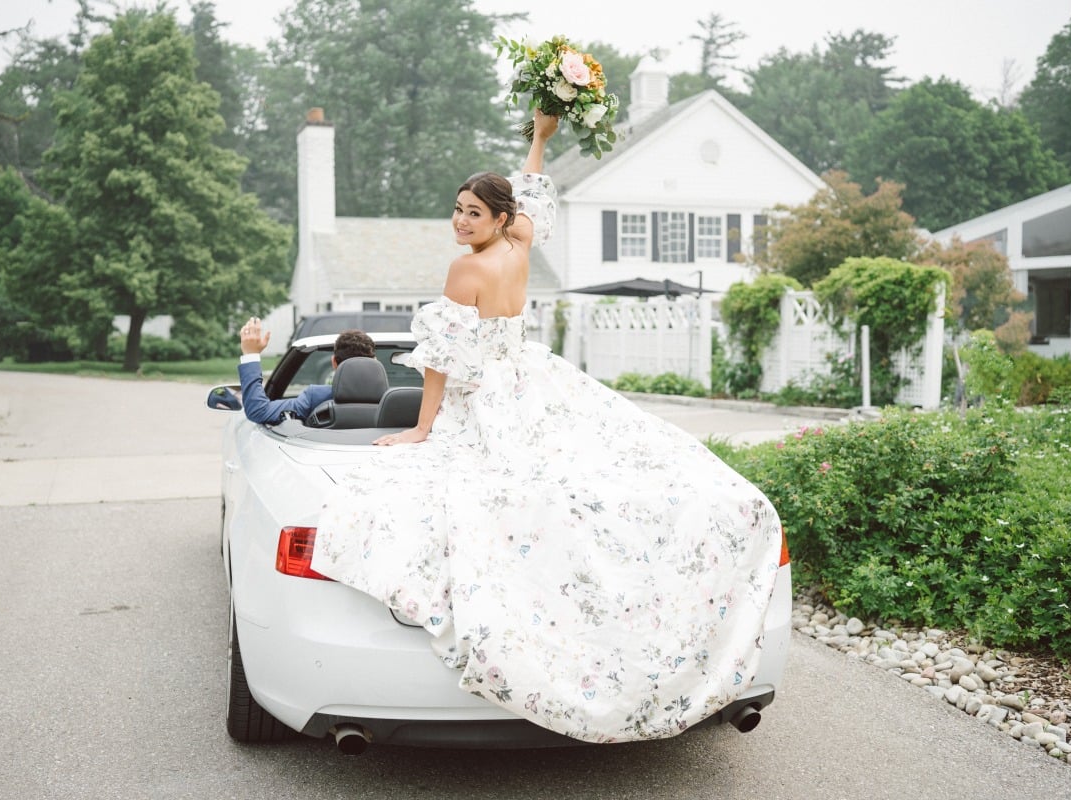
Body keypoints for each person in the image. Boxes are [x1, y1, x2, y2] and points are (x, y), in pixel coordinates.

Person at [310, 110, 784, 743]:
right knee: (596, 463)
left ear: (496, 220)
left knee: (470, 487)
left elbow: (442, 366)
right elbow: (530, 188)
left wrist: (421, 432)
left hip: (489, 394)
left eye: (473, 213)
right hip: (530, 377)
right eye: (456, 209)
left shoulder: (465, 270)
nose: (459, 221)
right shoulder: (519, 242)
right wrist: (539, 140)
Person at [237, 319, 375, 424]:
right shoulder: (392, 401)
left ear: (334, 362)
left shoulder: (316, 397)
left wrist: (251, 354)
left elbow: (259, 411)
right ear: (374, 362)